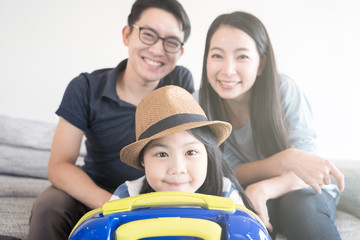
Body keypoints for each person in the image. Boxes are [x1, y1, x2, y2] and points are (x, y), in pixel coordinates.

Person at [28, 0, 193, 239]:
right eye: (148, 35)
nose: (158, 50)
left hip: (158, 192)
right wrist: (113, 205)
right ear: (127, 35)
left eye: (171, 42)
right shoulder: (85, 87)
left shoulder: (180, 82)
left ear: (180, 52)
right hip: (97, 193)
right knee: (50, 206)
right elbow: (59, 166)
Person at [198, 11, 345, 240]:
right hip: (242, 191)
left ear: (261, 64)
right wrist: (286, 159)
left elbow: (309, 168)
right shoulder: (197, 104)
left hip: (300, 189)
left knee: (299, 208)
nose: (227, 70)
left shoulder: (284, 90)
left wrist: (263, 188)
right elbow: (227, 171)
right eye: (217, 55)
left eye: (242, 57)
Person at [110, 85, 253, 211]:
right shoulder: (128, 196)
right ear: (142, 159)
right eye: (162, 154)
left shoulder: (226, 194)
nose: (177, 168)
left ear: (207, 154)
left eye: (191, 152)